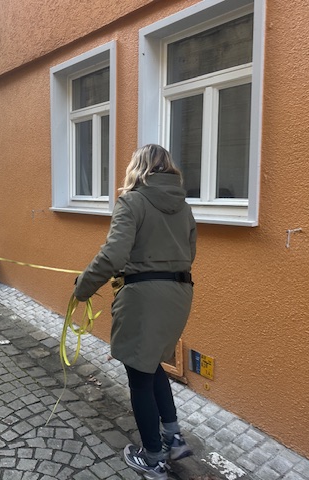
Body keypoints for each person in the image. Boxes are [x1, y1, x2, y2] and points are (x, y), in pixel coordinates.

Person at [74, 144, 197, 480]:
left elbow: (113, 255)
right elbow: (189, 253)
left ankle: (154, 459)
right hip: (179, 295)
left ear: (138, 167)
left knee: (139, 378)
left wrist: (83, 287)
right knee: (152, 364)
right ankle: (173, 438)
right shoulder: (184, 207)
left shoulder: (132, 201)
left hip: (143, 299)